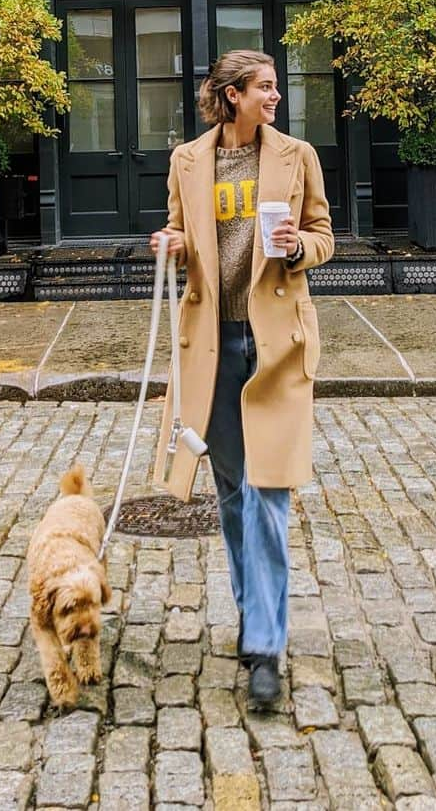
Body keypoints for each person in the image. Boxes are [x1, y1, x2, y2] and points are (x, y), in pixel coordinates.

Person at [150, 49, 334, 707]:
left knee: (270, 491)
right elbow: (180, 231)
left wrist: (299, 249)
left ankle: (265, 644)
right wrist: (170, 243)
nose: (274, 97)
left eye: (276, 88)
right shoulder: (189, 161)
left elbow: (324, 235)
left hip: (275, 344)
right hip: (213, 347)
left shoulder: (296, 156)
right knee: (232, 495)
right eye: (263, 88)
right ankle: (253, 615)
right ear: (231, 96)